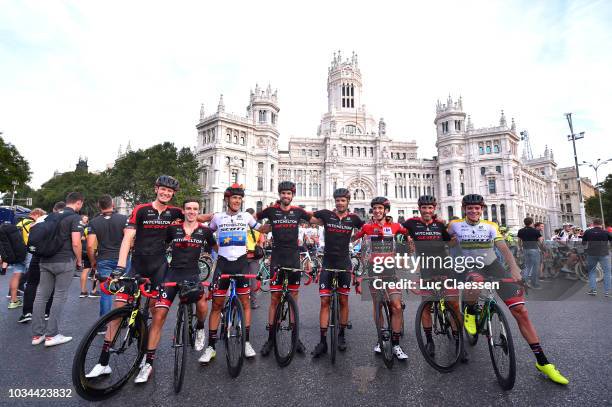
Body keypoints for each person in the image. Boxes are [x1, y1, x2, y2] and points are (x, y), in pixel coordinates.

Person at [449, 194, 568, 384]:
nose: (473, 211)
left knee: (521, 310)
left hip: (492, 264)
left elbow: (502, 247)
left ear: (482, 209)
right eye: (469, 208)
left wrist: (513, 267)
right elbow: (446, 242)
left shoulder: (491, 225)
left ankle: (543, 362)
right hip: (468, 265)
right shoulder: (454, 225)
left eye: (477, 208)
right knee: (476, 281)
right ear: (464, 209)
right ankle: (470, 311)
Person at [132, 198, 217, 383]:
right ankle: (148, 363)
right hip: (171, 275)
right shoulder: (172, 229)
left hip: (193, 276)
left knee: (203, 305)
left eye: (195, 209)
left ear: (198, 211)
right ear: (184, 211)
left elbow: (217, 248)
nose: (192, 211)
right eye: (188, 208)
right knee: (158, 316)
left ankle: (200, 327)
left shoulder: (205, 231)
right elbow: (157, 242)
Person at [199, 184, 267, 364]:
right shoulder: (217, 217)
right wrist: (213, 247)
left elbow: (262, 229)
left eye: (239, 198)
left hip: (241, 264)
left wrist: (278, 222)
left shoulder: (246, 217)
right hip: (222, 264)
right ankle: (211, 347)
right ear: (227, 200)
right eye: (234, 198)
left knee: (245, 302)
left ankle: (246, 342)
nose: (237, 201)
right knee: (216, 306)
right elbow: (206, 233)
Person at [403, 195, 467, 362]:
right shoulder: (411, 223)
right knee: (427, 303)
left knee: (453, 303)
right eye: (424, 207)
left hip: (444, 266)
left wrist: (458, 238)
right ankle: (430, 340)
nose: (427, 211)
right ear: (419, 208)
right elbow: (398, 232)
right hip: (426, 269)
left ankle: (459, 338)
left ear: (434, 208)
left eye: (430, 208)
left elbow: (450, 242)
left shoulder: (440, 224)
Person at [257, 181, 311, 357]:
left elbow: (316, 218)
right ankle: (271, 339)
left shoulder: (298, 211)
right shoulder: (271, 211)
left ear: (292, 195)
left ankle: (296, 338)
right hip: (277, 259)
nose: (286, 196)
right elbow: (254, 220)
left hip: (293, 259)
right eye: (283, 193)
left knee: (294, 299)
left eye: (289, 193)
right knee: (274, 299)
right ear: (279, 194)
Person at [310, 188, 364, 357]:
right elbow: (307, 217)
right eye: (338, 200)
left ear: (348, 201)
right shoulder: (326, 215)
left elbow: (368, 230)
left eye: (343, 200)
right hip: (327, 262)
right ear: (335, 201)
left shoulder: (354, 218)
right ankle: (322, 341)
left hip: (344, 263)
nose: (340, 203)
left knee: (343, 300)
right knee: (325, 301)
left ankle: (341, 335)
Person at [353, 197, 409, 360]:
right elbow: (352, 239)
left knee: (396, 306)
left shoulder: (396, 226)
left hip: (391, 270)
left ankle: (396, 344)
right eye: (374, 208)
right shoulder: (367, 227)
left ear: (386, 210)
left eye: (380, 208)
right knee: (378, 305)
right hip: (373, 271)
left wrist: (405, 255)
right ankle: (380, 338)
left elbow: (408, 236)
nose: (377, 211)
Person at [32, 192, 84, 347]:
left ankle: (37, 334)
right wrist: (79, 260)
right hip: (64, 260)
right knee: (59, 296)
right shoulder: (74, 218)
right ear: (78, 203)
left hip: (45, 259)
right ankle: (51, 335)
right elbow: (76, 242)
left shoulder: (50, 216)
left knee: (41, 296)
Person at [86, 195, 128, 318]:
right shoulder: (123, 218)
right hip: (122, 259)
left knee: (106, 291)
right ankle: (122, 319)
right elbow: (129, 240)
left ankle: (104, 323)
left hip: (103, 258)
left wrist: (93, 261)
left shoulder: (94, 222)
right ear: (113, 205)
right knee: (125, 291)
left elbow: (89, 246)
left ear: (99, 207)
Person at [15, 208, 47, 322]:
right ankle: (46, 312)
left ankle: (26, 311)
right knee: (44, 283)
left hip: (25, 251)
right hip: (40, 254)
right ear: (37, 214)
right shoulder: (40, 224)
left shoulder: (21, 223)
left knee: (30, 282)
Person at [581, 218, 611, 296]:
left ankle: (593, 290)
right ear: (602, 224)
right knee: (607, 272)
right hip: (603, 254)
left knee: (592, 271)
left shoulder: (588, 232)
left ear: (593, 224)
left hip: (591, 254)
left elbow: (583, 243)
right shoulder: (606, 232)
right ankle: (607, 292)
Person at [245, 208, 265, 309]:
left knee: (241, 279)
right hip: (254, 256)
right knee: (253, 280)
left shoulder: (241, 225)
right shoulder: (258, 227)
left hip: (242, 256)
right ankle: (253, 302)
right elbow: (261, 243)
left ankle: (241, 301)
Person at [517, 217, 544, 289]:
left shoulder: (521, 231)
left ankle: (524, 281)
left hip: (525, 249)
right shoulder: (535, 231)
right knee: (535, 267)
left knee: (527, 266)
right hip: (534, 249)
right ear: (531, 223)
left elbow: (519, 241)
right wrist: (542, 247)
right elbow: (540, 240)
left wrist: (520, 248)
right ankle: (534, 284)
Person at [79, 215, 98, 298]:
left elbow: (82, 237)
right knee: (96, 271)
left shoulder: (87, 227)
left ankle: (83, 291)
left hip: (86, 249)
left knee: (85, 269)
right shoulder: (100, 226)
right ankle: (93, 291)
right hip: (95, 250)